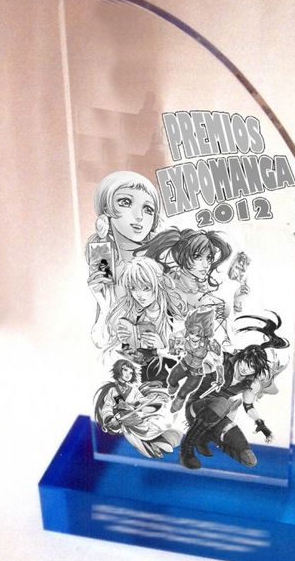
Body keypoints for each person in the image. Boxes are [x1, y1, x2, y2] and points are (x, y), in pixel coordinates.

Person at [179, 314, 289, 469]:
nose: (246, 369)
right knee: (223, 403)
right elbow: (201, 362)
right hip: (196, 408)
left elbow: (249, 406)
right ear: (242, 356)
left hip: (216, 416)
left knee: (249, 459)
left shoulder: (250, 382)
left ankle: (205, 436)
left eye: (252, 368)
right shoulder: (222, 360)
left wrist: (261, 425)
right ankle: (187, 448)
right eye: (246, 363)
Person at [86, 171, 162, 347]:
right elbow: (101, 340)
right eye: (126, 202)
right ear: (106, 209)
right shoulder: (102, 256)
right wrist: (101, 300)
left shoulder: (159, 260)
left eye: (148, 209)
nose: (139, 216)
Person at [104, 257, 185, 382]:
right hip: (139, 381)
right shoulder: (132, 316)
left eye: (146, 288)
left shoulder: (175, 320)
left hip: (169, 382)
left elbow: (187, 360)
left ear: (158, 285)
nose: (139, 295)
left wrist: (161, 349)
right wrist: (125, 342)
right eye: (133, 288)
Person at [94, 359, 182, 459]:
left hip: (136, 416)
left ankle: (158, 441)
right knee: (143, 429)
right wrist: (109, 418)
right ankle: (155, 443)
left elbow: (141, 400)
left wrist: (156, 398)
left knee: (155, 421)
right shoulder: (113, 390)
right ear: (118, 370)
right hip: (125, 420)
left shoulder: (133, 390)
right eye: (125, 370)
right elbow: (108, 406)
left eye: (131, 372)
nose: (128, 374)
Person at [167, 306, 224, 414]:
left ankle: (174, 408)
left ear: (205, 332)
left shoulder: (210, 343)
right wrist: (172, 348)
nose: (193, 337)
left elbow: (218, 362)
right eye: (191, 333)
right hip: (183, 365)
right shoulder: (186, 332)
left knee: (182, 394)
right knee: (171, 381)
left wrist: (220, 378)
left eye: (198, 335)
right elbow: (172, 336)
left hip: (196, 374)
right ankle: (171, 393)